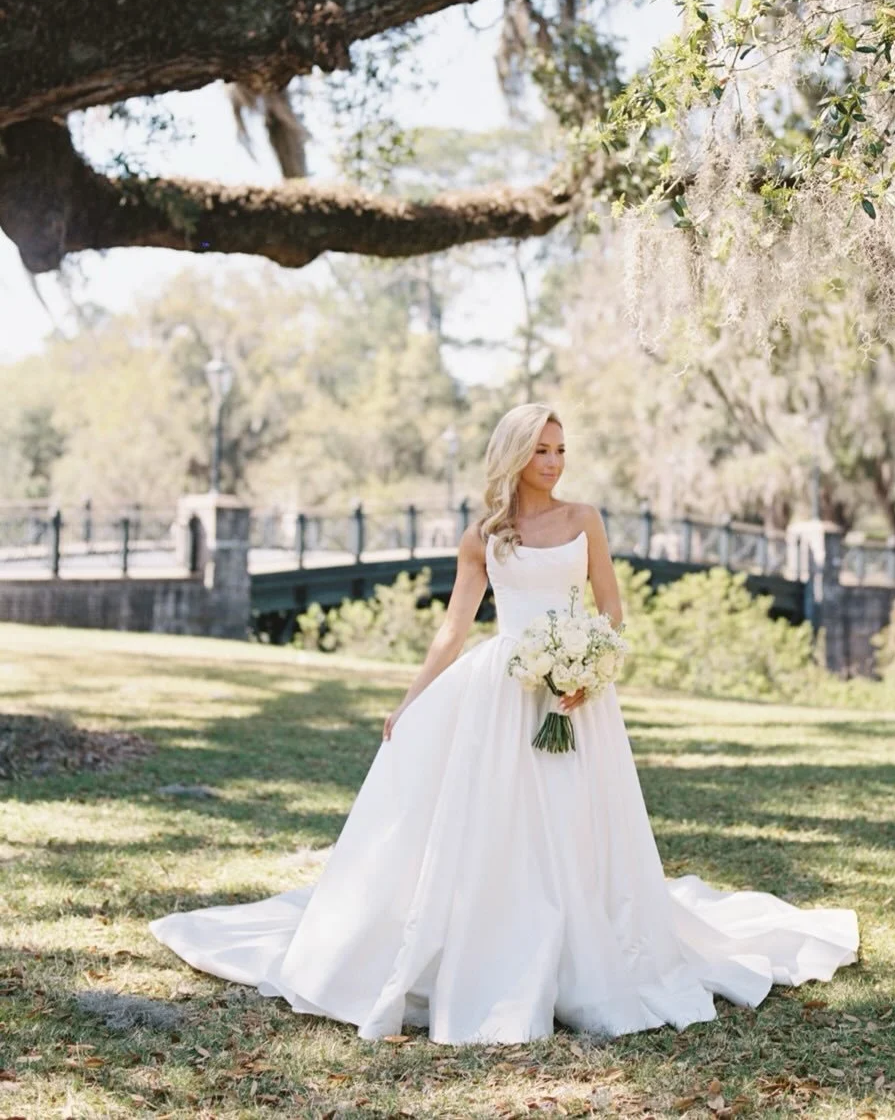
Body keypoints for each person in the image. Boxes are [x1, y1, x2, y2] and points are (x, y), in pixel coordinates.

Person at [149, 403, 858, 1044]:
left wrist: (587, 670)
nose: (554, 461)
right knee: (499, 823)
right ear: (515, 454)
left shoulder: (585, 521)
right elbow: (452, 631)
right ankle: (497, 944)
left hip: (576, 696)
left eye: (560, 448)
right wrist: (409, 701)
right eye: (542, 449)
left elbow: (611, 609)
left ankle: (585, 950)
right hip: (500, 691)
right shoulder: (485, 536)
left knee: (576, 820)